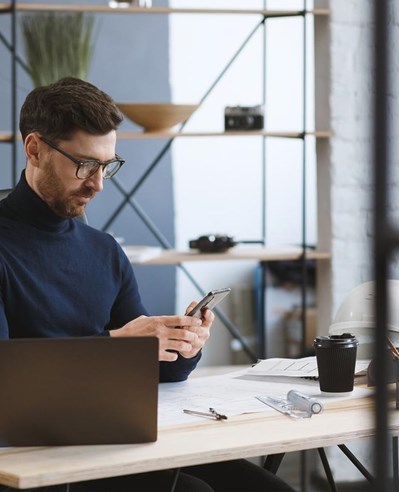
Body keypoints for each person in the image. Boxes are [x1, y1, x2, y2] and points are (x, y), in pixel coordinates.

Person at [0, 77, 295, 492]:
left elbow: (152, 371)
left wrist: (183, 344)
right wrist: (118, 343)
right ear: (34, 149)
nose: (98, 183)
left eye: (107, 166)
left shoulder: (104, 251)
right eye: (84, 164)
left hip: (119, 436)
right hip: (39, 452)